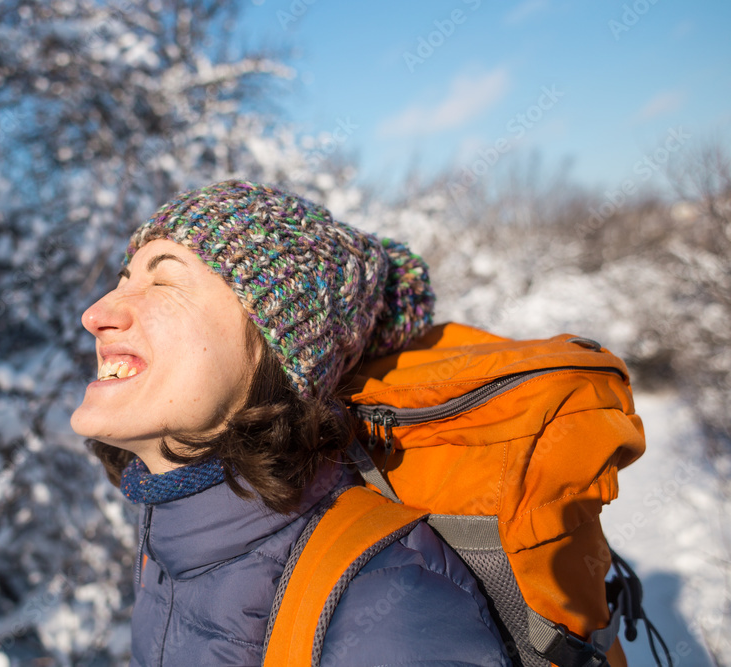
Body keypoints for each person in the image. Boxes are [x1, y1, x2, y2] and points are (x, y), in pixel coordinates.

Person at [70, 180, 512, 666]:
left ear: (276, 349)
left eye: (164, 281)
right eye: (123, 278)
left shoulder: (388, 607)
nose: (96, 313)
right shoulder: (172, 547)